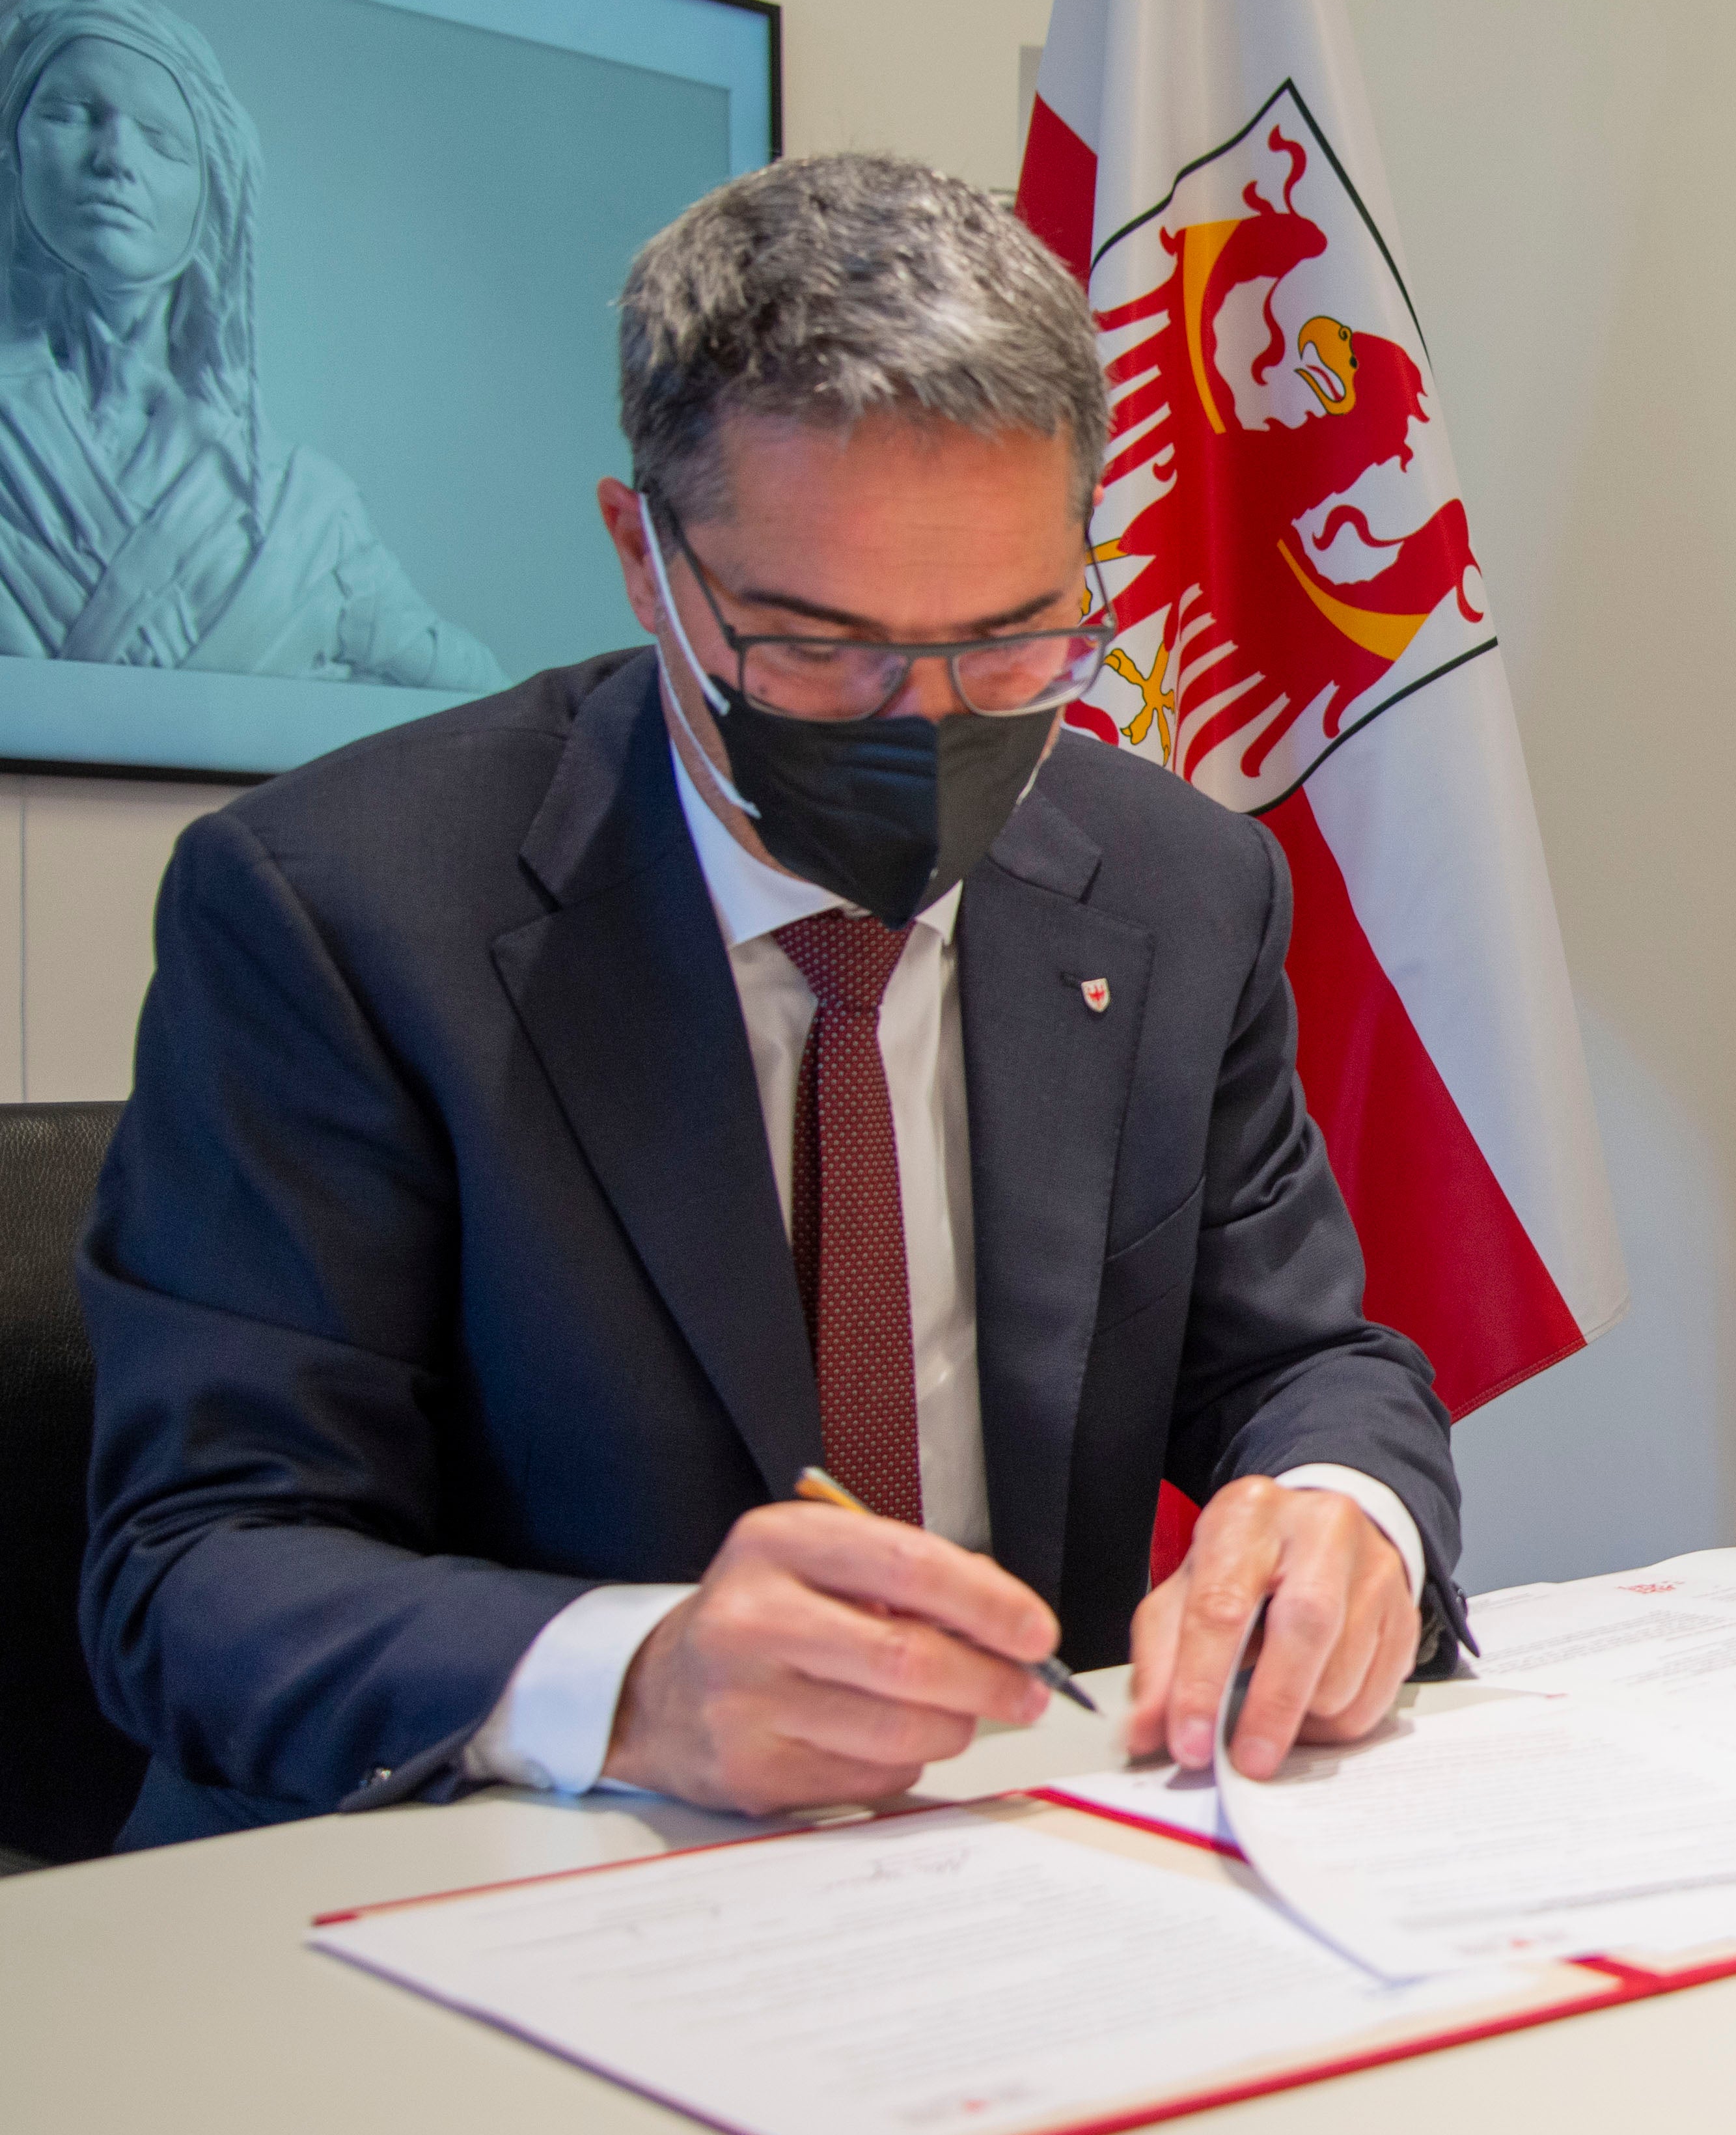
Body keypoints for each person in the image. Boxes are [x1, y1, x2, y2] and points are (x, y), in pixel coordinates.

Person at [81, 153, 1452, 1845]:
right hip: (486, 1886)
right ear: (645, 559)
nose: (929, 726)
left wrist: (1338, 1512)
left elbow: (1306, 1358)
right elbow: (196, 1565)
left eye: (1018, 641)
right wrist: (640, 1677)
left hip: (1006, 1874)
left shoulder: (1178, 886)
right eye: (818, 650)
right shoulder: (335, 910)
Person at [0, 0, 501, 690]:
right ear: (13, 148)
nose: (114, 159)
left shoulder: (305, 511)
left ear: (212, 199)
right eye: (72, 113)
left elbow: (483, 696)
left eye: (161, 141)